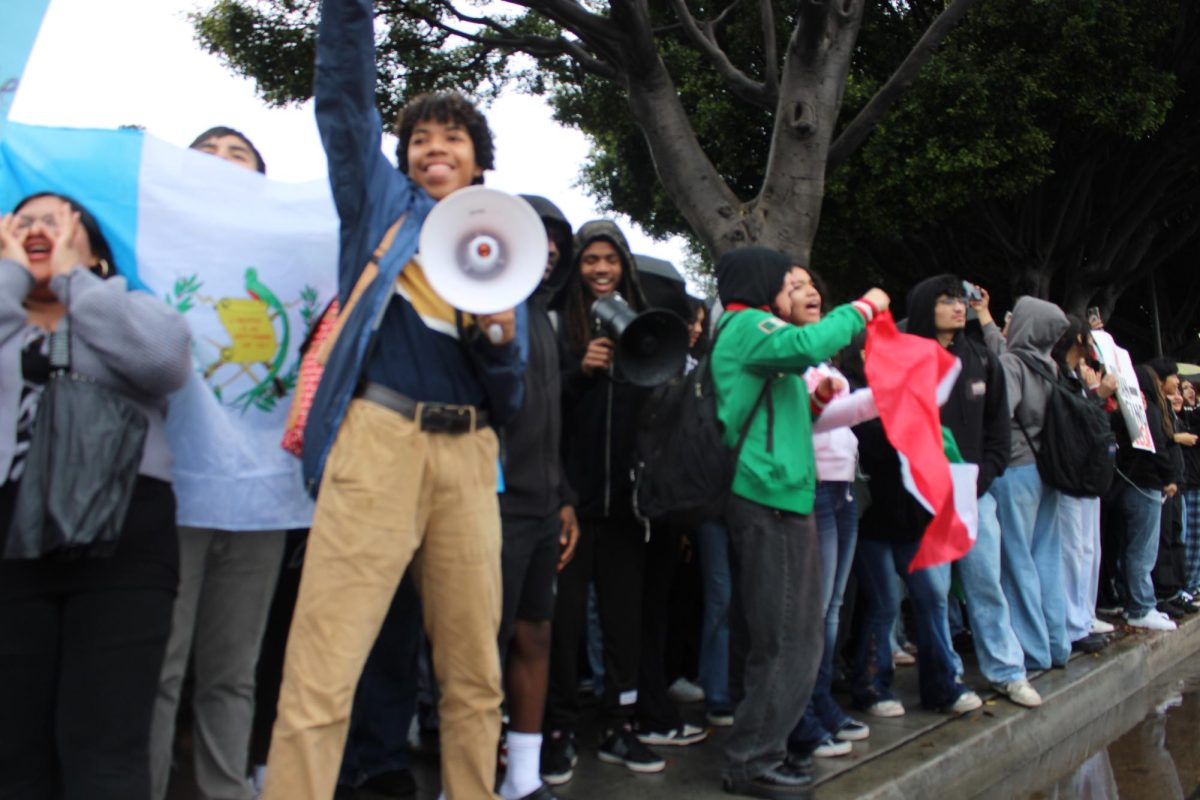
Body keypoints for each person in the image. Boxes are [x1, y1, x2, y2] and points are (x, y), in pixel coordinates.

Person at [261, 0, 526, 797]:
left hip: (471, 457)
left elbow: (511, 401)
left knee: (476, 674)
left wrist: (500, 342)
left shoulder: (505, 249)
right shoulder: (380, 209)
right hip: (378, 440)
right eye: (419, 138)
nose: (433, 147)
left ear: (479, 164)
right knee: (323, 666)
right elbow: (344, 101)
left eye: (452, 138)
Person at [0, 194, 192, 799]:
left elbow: (163, 364)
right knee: (13, 748)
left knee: (105, 745)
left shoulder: (130, 307)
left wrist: (74, 284)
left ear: (92, 248)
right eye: (21, 223)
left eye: (56, 222)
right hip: (9, 536)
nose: (37, 230)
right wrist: (11, 280)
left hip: (124, 534)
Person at [710, 245, 888, 799]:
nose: (796, 291)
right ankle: (752, 760)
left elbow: (771, 415)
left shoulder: (751, 332)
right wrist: (865, 306)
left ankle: (765, 748)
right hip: (769, 498)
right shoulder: (747, 323)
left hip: (779, 494)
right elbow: (812, 342)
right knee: (788, 638)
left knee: (785, 634)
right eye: (786, 282)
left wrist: (813, 407)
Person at [150, 125, 289, 800]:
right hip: (174, 486)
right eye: (209, 151)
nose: (225, 162)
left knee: (233, 670)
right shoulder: (154, 242)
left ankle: (224, 789)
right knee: (161, 664)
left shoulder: (292, 253)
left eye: (241, 154)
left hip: (263, 495)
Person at [542, 219, 680, 785]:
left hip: (628, 507)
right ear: (576, 267)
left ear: (624, 266)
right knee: (561, 624)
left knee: (624, 624)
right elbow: (539, 414)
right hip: (569, 507)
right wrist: (580, 374)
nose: (601, 269)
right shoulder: (554, 327)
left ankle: (621, 725)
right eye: (590, 259)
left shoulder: (644, 331)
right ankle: (555, 731)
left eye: (611, 260)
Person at [494, 195, 580, 800]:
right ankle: (466, 775)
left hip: (545, 507)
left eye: (557, 240)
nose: (548, 248)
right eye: (536, 234)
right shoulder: (482, 307)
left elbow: (549, 425)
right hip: (490, 507)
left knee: (535, 635)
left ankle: (523, 780)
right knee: (477, 647)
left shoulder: (548, 321)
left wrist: (565, 498)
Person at [1106, 363, 1178, 631]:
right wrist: (1169, 477)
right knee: (1142, 550)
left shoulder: (1124, 409)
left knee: (1130, 548)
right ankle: (1141, 606)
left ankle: (1132, 602)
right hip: (1145, 484)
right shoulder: (1149, 410)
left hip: (1125, 484)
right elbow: (1156, 445)